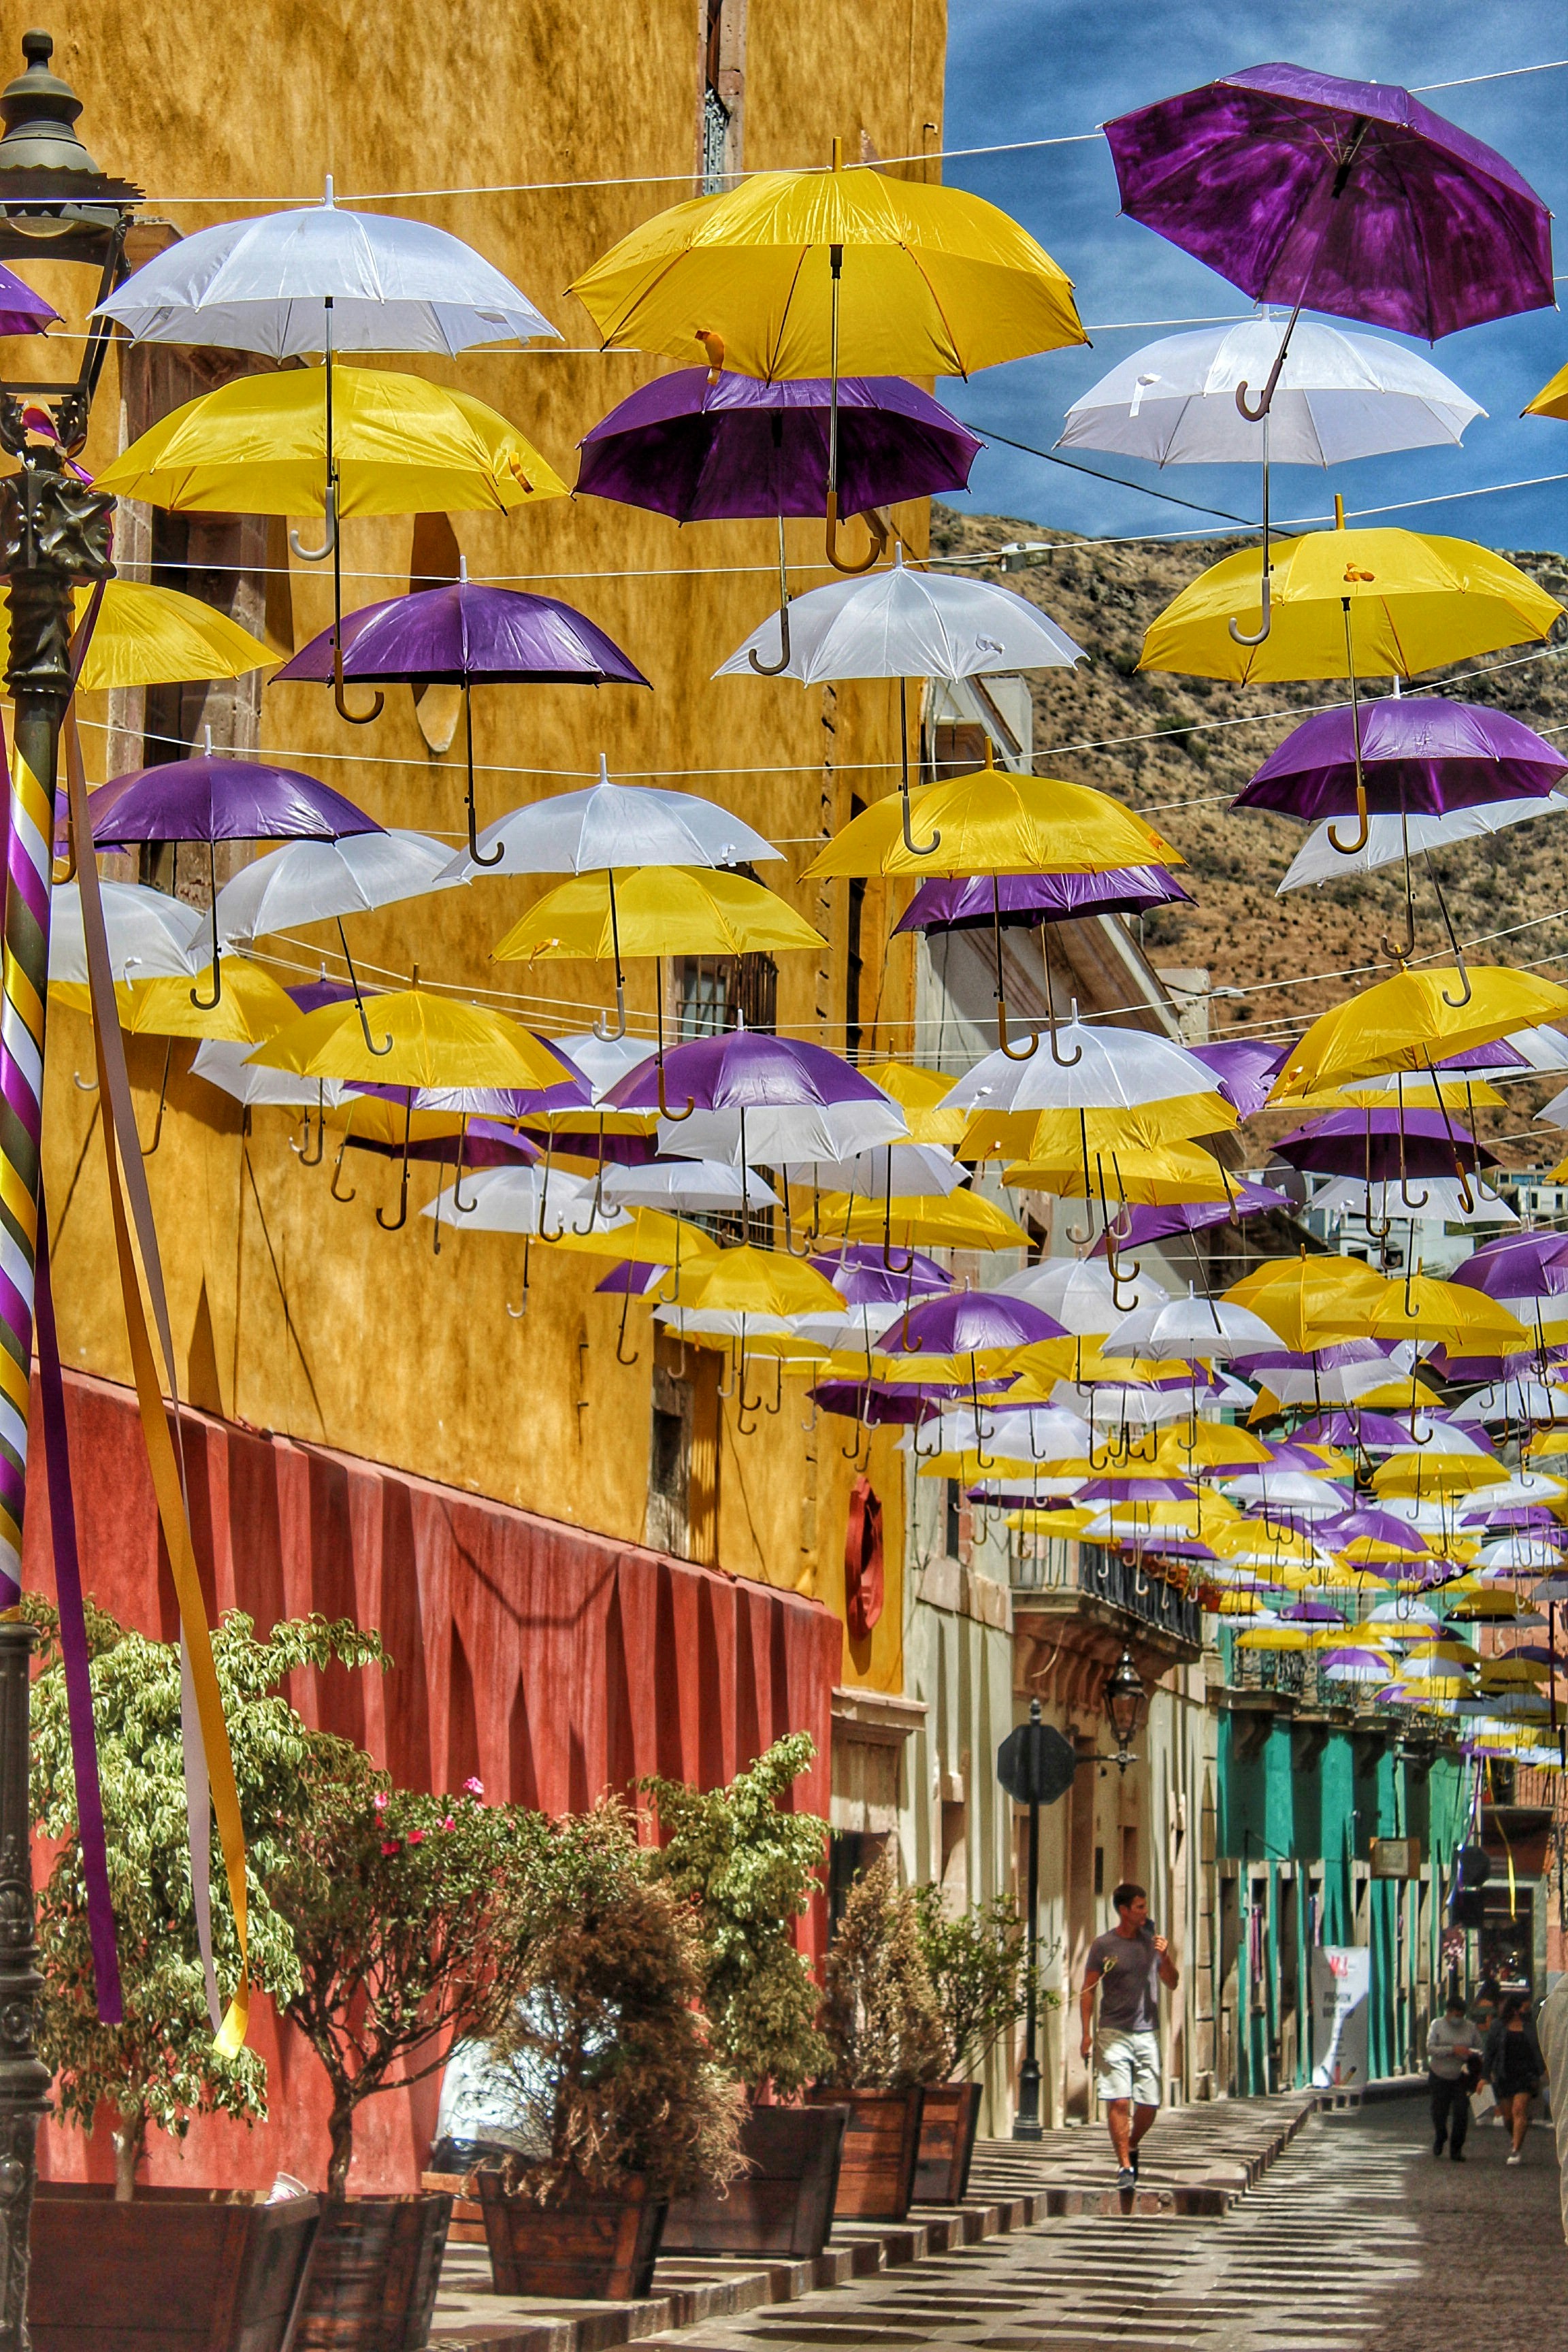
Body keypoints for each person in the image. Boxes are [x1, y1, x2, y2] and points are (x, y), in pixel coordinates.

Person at [1080, 1881, 1179, 2191]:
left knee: (1149, 2105)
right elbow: (1088, 1990)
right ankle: (1124, 2166)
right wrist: (1086, 2034)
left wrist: (1166, 1957)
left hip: (1147, 2033)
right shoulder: (1103, 1946)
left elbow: (1172, 1983)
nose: (1145, 1912)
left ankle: (1133, 2143)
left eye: (1144, 1906)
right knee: (1119, 2101)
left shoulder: (1153, 1943)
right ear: (1124, 1911)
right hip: (1113, 2031)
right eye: (1139, 1907)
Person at [1483, 1991, 1546, 2166]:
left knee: (1519, 2110)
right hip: (1504, 2075)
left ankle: (1516, 2150)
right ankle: (1516, 2137)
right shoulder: (1498, 2026)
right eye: (1524, 2008)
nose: (1527, 2011)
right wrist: (1485, 2076)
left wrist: (1542, 2069)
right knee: (1508, 2117)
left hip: (1526, 2075)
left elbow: (1539, 2048)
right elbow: (1490, 2052)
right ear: (1515, 2009)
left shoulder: (1531, 2027)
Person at [1426, 1992, 1482, 2161]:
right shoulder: (1437, 2025)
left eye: (1462, 2016)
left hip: (1461, 2077)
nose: (1459, 2019)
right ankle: (1440, 2135)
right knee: (1439, 2112)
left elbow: (1480, 2050)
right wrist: (1451, 2050)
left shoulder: (1470, 2028)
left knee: (1461, 2112)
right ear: (1449, 2012)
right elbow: (1430, 2049)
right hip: (1439, 2074)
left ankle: (1456, 2148)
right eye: (1456, 2015)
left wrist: (1469, 2054)